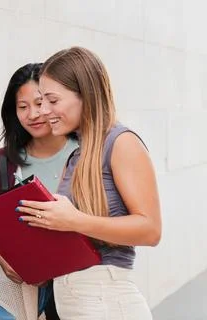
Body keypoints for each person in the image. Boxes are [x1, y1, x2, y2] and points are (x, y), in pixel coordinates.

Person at [17, 47, 162, 320]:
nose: (44, 111)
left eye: (52, 100)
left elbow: (150, 229)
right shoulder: (78, 154)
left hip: (107, 303)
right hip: (73, 304)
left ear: (85, 94)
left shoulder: (121, 142)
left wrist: (73, 220)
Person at [0, 63, 78, 320]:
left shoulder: (83, 156)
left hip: (69, 293)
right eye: (22, 107)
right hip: (8, 293)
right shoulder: (4, 161)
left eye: (40, 103)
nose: (33, 114)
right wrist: (2, 258)